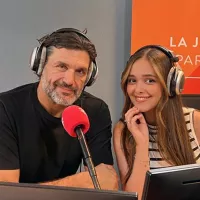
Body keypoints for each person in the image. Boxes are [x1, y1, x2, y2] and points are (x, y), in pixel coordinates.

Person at [0, 28, 118, 190]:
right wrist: (79, 182)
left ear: (89, 77)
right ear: (40, 65)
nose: (70, 80)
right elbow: (6, 193)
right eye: (61, 66)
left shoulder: (95, 111)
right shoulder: (5, 108)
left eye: (80, 71)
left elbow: (105, 184)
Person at [113, 45, 200, 199]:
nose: (138, 89)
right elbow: (136, 197)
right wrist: (141, 145)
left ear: (171, 84)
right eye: (132, 80)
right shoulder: (123, 130)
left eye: (150, 80)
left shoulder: (195, 122)